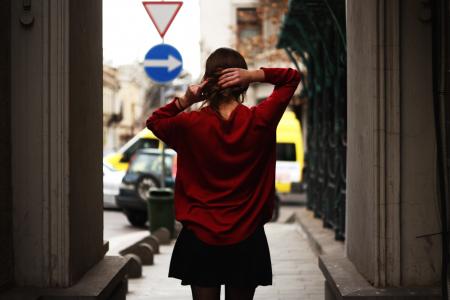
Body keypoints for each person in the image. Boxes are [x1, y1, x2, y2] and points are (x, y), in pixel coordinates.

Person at [146, 47, 301, 300]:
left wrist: (185, 101)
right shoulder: (261, 120)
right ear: (241, 85)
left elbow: (155, 121)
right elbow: (291, 77)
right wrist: (253, 75)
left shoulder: (189, 125)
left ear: (208, 82)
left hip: (200, 237)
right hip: (247, 235)